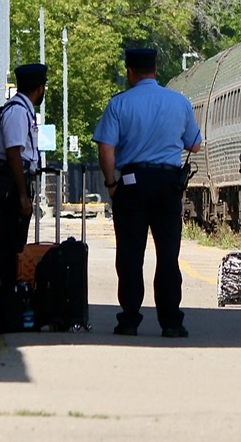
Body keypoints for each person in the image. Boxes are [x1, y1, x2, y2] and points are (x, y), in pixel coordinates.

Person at [95, 47, 203, 338]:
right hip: (168, 186)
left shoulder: (119, 104)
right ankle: (171, 322)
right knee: (168, 255)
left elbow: (105, 147)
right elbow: (195, 144)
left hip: (131, 183)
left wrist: (111, 184)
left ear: (130, 72)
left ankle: (129, 320)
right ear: (156, 69)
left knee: (130, 255)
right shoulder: (178, 102)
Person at [0, 63, 45, 288]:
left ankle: (9, 290)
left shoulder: (23, 110)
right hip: (14, 186)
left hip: (18, 184)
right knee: (10, 243)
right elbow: (14, 153)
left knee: (15, 241)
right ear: (40, 88)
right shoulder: (16, 111)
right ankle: (5, 291)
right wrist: (23, 195)